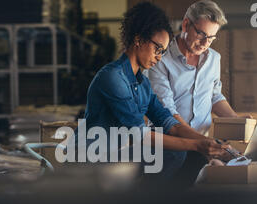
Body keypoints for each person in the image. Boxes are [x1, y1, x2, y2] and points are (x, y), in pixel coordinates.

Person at [79, 2, 230, 178]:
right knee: (175, 153)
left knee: (192, 156)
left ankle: (165, 202)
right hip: (91, 158)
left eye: (163, 51)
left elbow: (168, 122)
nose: (159, 57)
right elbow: (140, 135)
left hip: (115, 153)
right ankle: (146, 203)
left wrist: (210, 143)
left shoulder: (141, 83)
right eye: (157, 49)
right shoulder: (113, 78)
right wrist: (197, 145)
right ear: (138, 40)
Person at [147, 0, 240, 181]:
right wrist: (203, 144)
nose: (205, 43)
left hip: (201, 144)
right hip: (169, 145)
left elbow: (214, 95)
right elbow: (167, 111)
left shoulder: (214, 59)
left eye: (212, 38)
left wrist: (238, 122)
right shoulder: (160, 58)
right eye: (201, 34)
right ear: (186, 24)